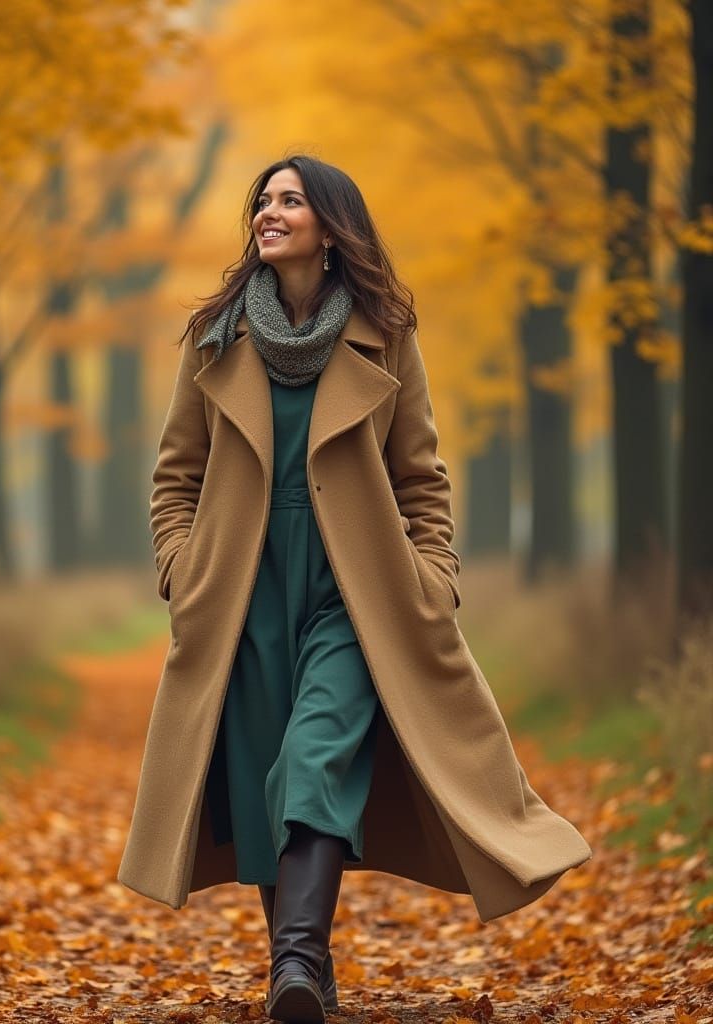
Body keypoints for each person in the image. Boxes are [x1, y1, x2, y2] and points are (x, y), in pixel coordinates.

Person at [118, 154, 592, 1024]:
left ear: (331, 228)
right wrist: (181, 571)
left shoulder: (385, 334)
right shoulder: (215, 336)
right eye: (262, 200)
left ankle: (294, 962)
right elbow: (174, 476)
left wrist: (433, 576)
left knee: (315, 756)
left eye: (290, 200)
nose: (269, 211)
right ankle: (301, 974)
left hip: (358, 590)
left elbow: (421, 476)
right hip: (239, 589)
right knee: (267, 774)